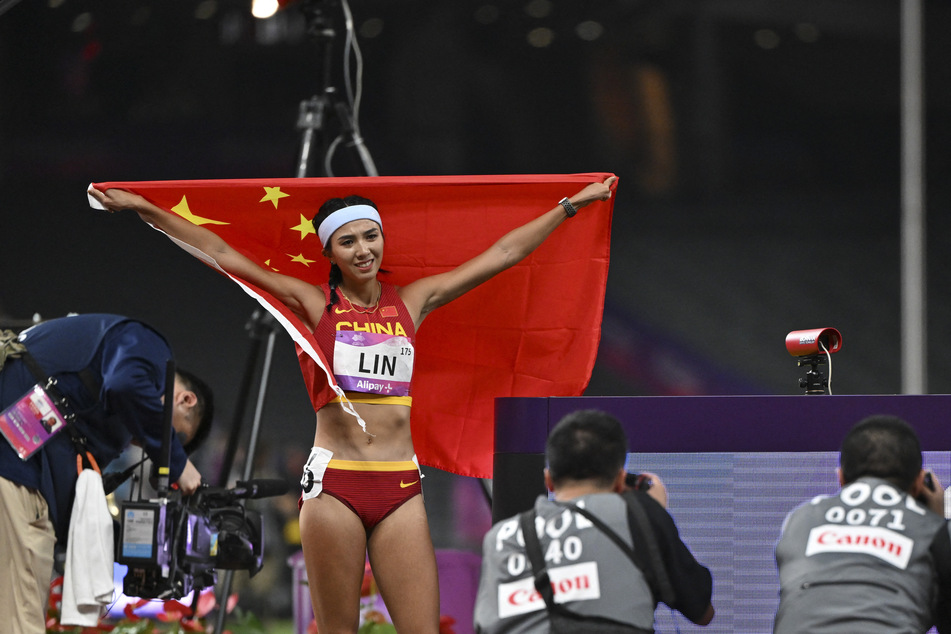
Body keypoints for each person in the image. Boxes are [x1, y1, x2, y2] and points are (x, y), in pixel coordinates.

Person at [87, 175, 616, 633]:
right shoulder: (314, 303)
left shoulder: (414, 301)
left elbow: (502, 255)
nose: (363, 249)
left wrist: (570, 206)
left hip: (400, 488)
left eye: (371, 236)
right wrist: (145, 208)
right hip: (335, 486)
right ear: (330, 252)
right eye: (348, 241)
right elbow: (224, 254)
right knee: (337, 629)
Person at [0, 313, 214, 634]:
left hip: (19, 471)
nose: (146, 445)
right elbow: (126, 384)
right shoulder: (150, 348)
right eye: (178, 436)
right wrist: (178, 463)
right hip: (12, 469)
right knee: (20, 623)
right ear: (185, 400)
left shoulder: (107, 404)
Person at [473, 408, 715, 633]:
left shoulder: (501, 536)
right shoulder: (639, 513)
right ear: (620, 480)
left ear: (549, 481)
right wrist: (654, 513)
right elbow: (702, 612)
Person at [774, 414, 951, 633]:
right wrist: (938, 520)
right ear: (918, 483)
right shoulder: (932, 530)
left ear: (841, 479)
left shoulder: (800, 519)